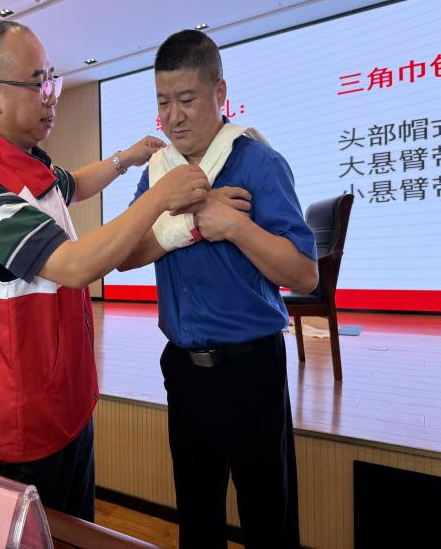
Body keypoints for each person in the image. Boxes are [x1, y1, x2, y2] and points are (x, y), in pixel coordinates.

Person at [0, 20, 209, 522]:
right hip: (31, 418)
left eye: (53, 81)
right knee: (46, 533)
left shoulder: (31, 164)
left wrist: (125, 159)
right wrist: (161, 196)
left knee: (81, 527)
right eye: (38, 84)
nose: (52, 98)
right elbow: (75, 267)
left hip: (68, 397)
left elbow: (74, 184)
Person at [119, 29, 318, 548]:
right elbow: (125, 254)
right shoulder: (159, 173)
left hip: (250, 369)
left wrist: (233, 225)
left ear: (220, 92)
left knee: (268, 519)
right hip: (183, 369)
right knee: (197, 518)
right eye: (163, 102)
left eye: (187, 99)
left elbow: (304, 274)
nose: (174, 116)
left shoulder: (259, 163)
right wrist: (186, 225)